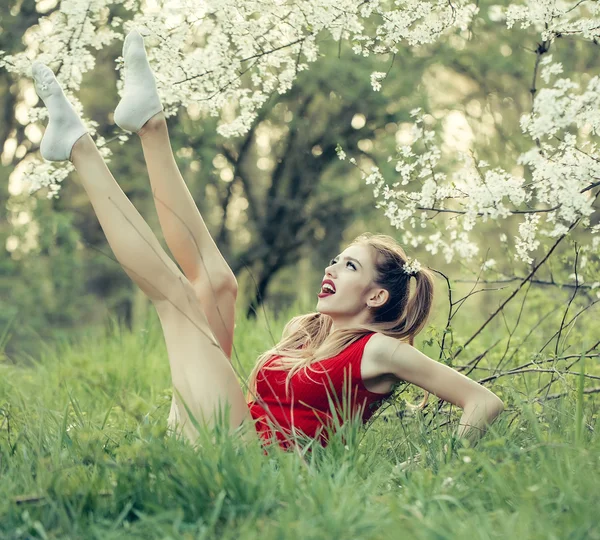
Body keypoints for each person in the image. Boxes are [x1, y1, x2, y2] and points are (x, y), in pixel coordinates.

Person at [30, 30, 504, 453]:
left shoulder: (378, 349)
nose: (331, 270)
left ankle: (78, 148)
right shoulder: (308, 334)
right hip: (227, 437)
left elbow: (482, 402)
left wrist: (433, 470)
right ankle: (152, 127)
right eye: (336, 260)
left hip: (254, 462)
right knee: (217, 283)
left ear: (377, 296)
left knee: (178, 299)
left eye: (350, 268)